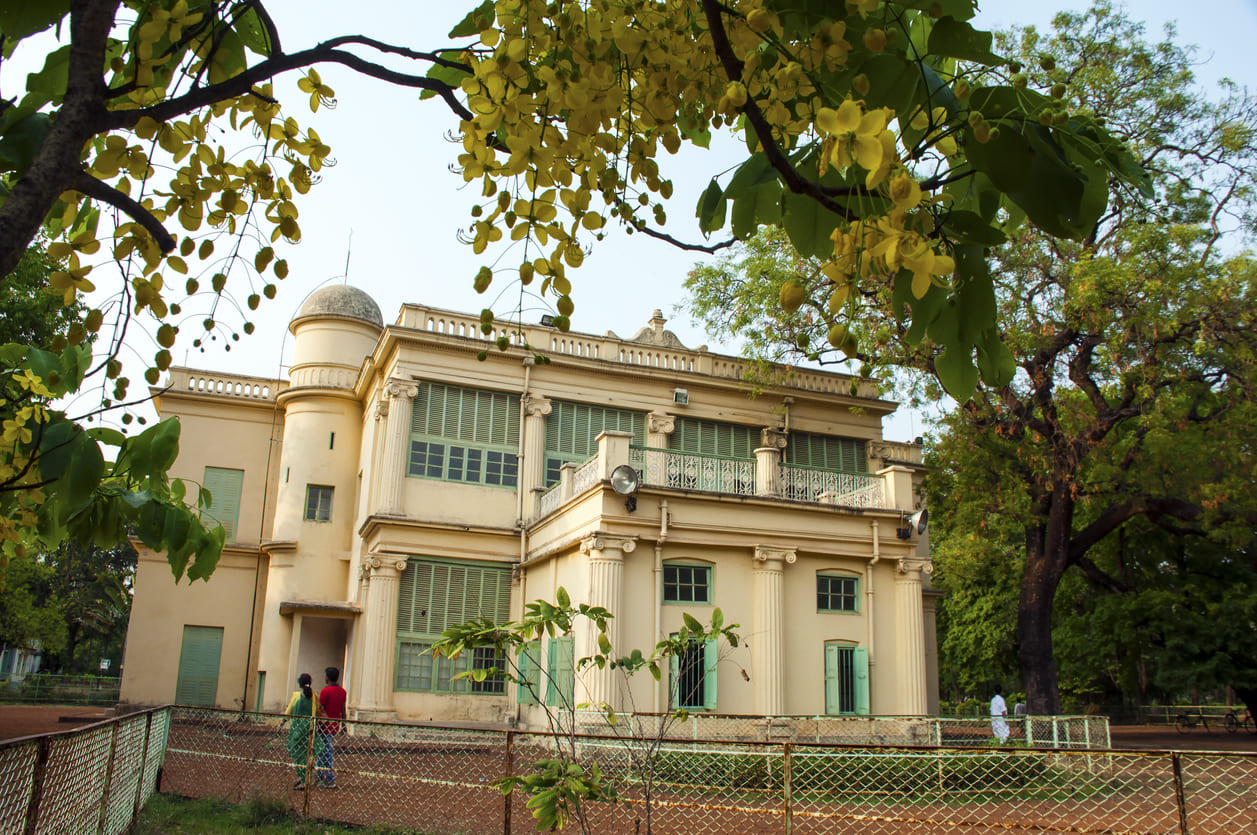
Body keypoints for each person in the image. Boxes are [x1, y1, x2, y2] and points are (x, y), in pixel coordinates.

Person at [286, 672, 323, 790]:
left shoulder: (296, 696)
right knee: (308, 755)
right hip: (310, 728)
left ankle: (303, 780)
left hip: (297, 729)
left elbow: (289, 711)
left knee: (299, 755)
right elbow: (318, 711)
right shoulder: (314, 696)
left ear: (299, 683)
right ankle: (303, 777)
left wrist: (281, 723)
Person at [317, 666, 348, 788]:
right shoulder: (342, 692)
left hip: (325, 725)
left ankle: (329, 778)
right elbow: (342, 709)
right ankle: (319, 775)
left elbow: (321, 709)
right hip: (335, 724)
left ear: (327, 678)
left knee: (326, 751)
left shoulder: (325, 692)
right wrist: (344, 724)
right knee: (323, 750)